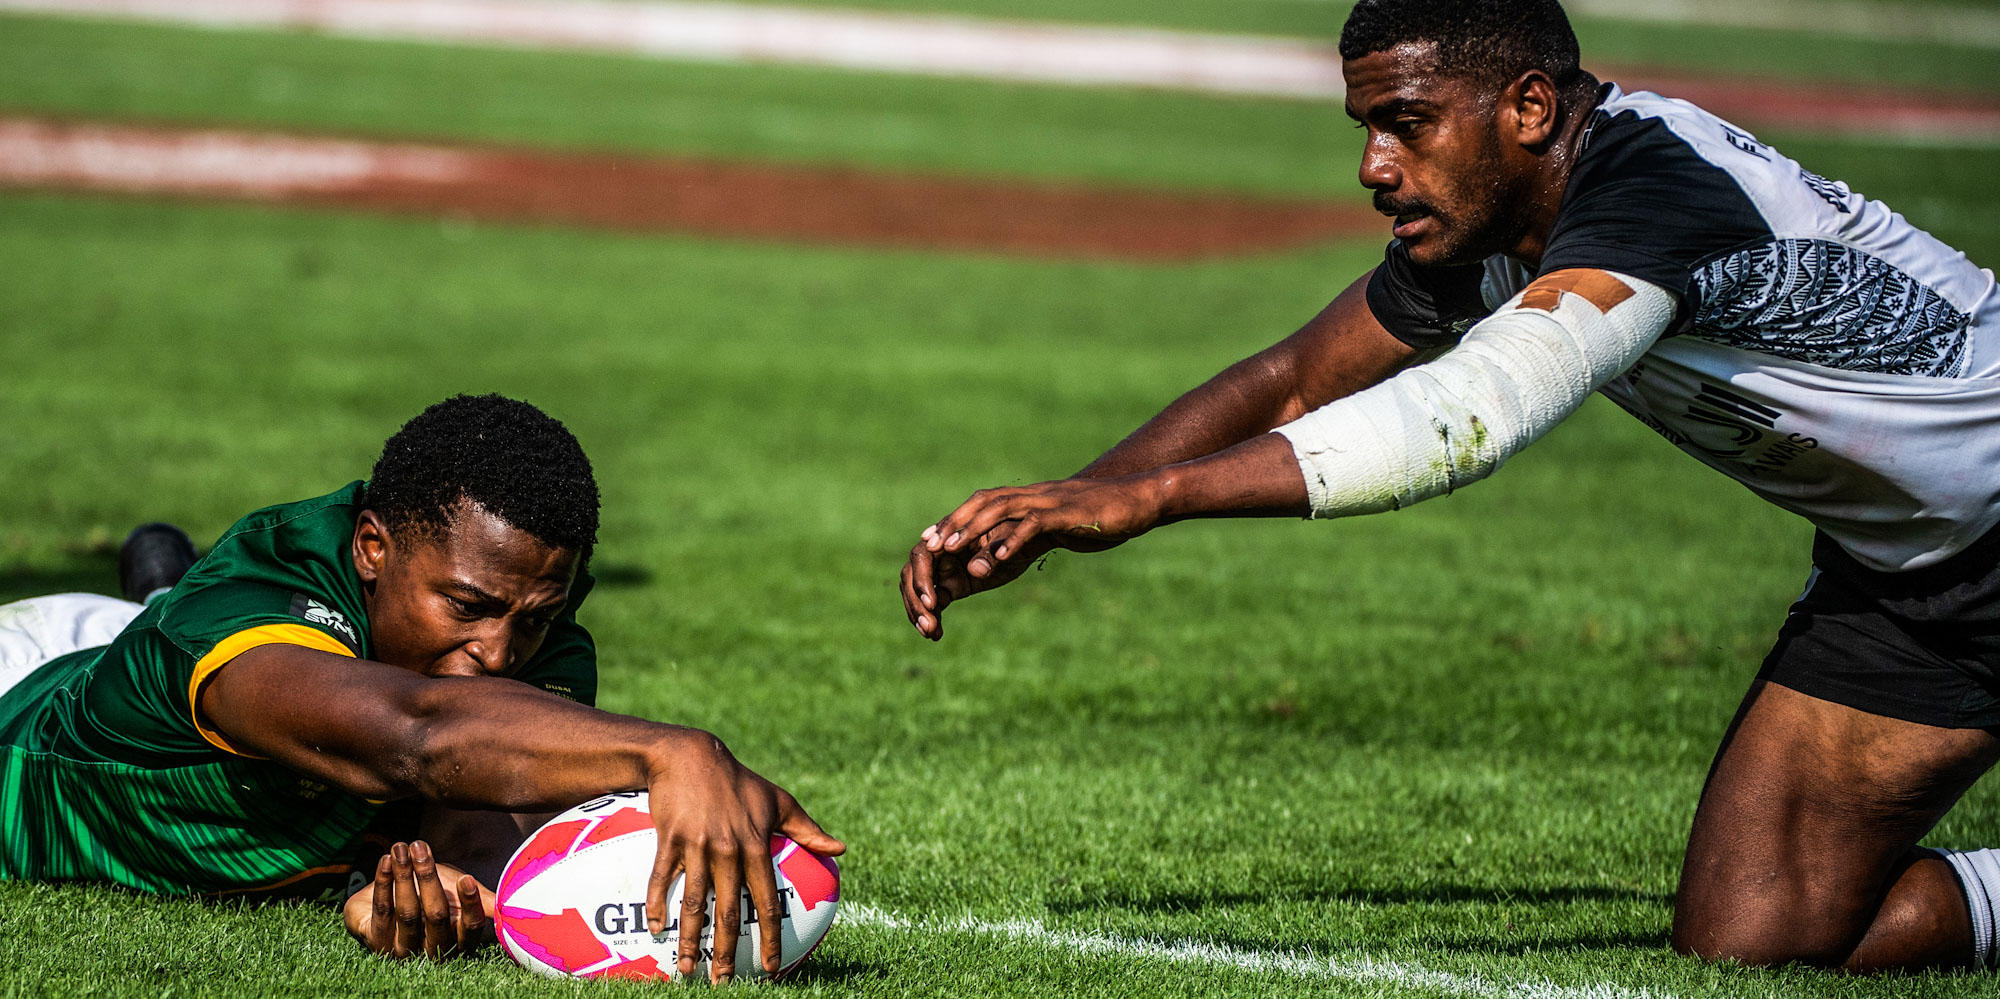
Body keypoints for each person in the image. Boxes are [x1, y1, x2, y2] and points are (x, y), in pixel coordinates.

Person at [899, 0, 2000, 974]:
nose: (1373, 165)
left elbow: (1463, 417)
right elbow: (1290, 384)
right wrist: (1061, 506)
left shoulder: (1651, 188)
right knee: (1753, 935)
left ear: (1526, 108)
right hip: (1905, 577)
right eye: (1366, 128)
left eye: (1407, 123)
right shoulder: (1494, 226)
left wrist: (1152, 500)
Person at [0, 394, 842, 982]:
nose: (500, 652)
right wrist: (676, 749)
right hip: (27, 679)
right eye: (468, 606)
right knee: (183, 633)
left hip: (234, 668)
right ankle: (162, 591)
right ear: (372, 548)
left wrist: (440, 897)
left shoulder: (537, 644)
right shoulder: (254, 604)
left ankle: (157, 585)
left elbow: (475, 830)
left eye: (534, 617)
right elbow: (412, 738)